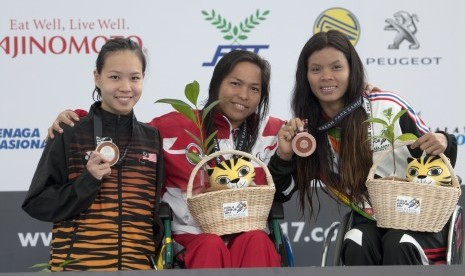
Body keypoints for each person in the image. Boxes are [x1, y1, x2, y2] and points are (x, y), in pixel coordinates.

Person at [44, 50, 283, 268]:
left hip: (250, 228)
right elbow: (127, 131)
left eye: (255, 88)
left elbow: (294, 159)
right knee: (209, 245)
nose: (244, 95)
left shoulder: (272, 130)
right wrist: (80, 119)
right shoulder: (176, 125)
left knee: (257, 241)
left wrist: (293, 141)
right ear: (217, 84)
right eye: (235, 83)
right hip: (194, 234)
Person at [268, 30, 457, 265]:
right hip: (367, 220)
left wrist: (445, 140)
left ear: (352, 70)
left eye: (336, 67)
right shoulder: (307, 132)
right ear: (305, 76)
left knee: (398, 243)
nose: (326, 76)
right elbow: (279, 193)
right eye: (316, 69)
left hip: (418, 216)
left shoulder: (386, 106)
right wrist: (284, 156)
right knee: (356, 242)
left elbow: (437, 159)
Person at [22, 38, 164, 271]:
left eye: (135, 77)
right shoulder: (69, 131)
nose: (126, 87)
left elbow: (156, 211)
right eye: (115, 77)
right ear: (97, 77)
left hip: (137, 268)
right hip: (79, 268)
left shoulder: (152, 138)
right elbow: (37, 203)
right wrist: (86, 182)